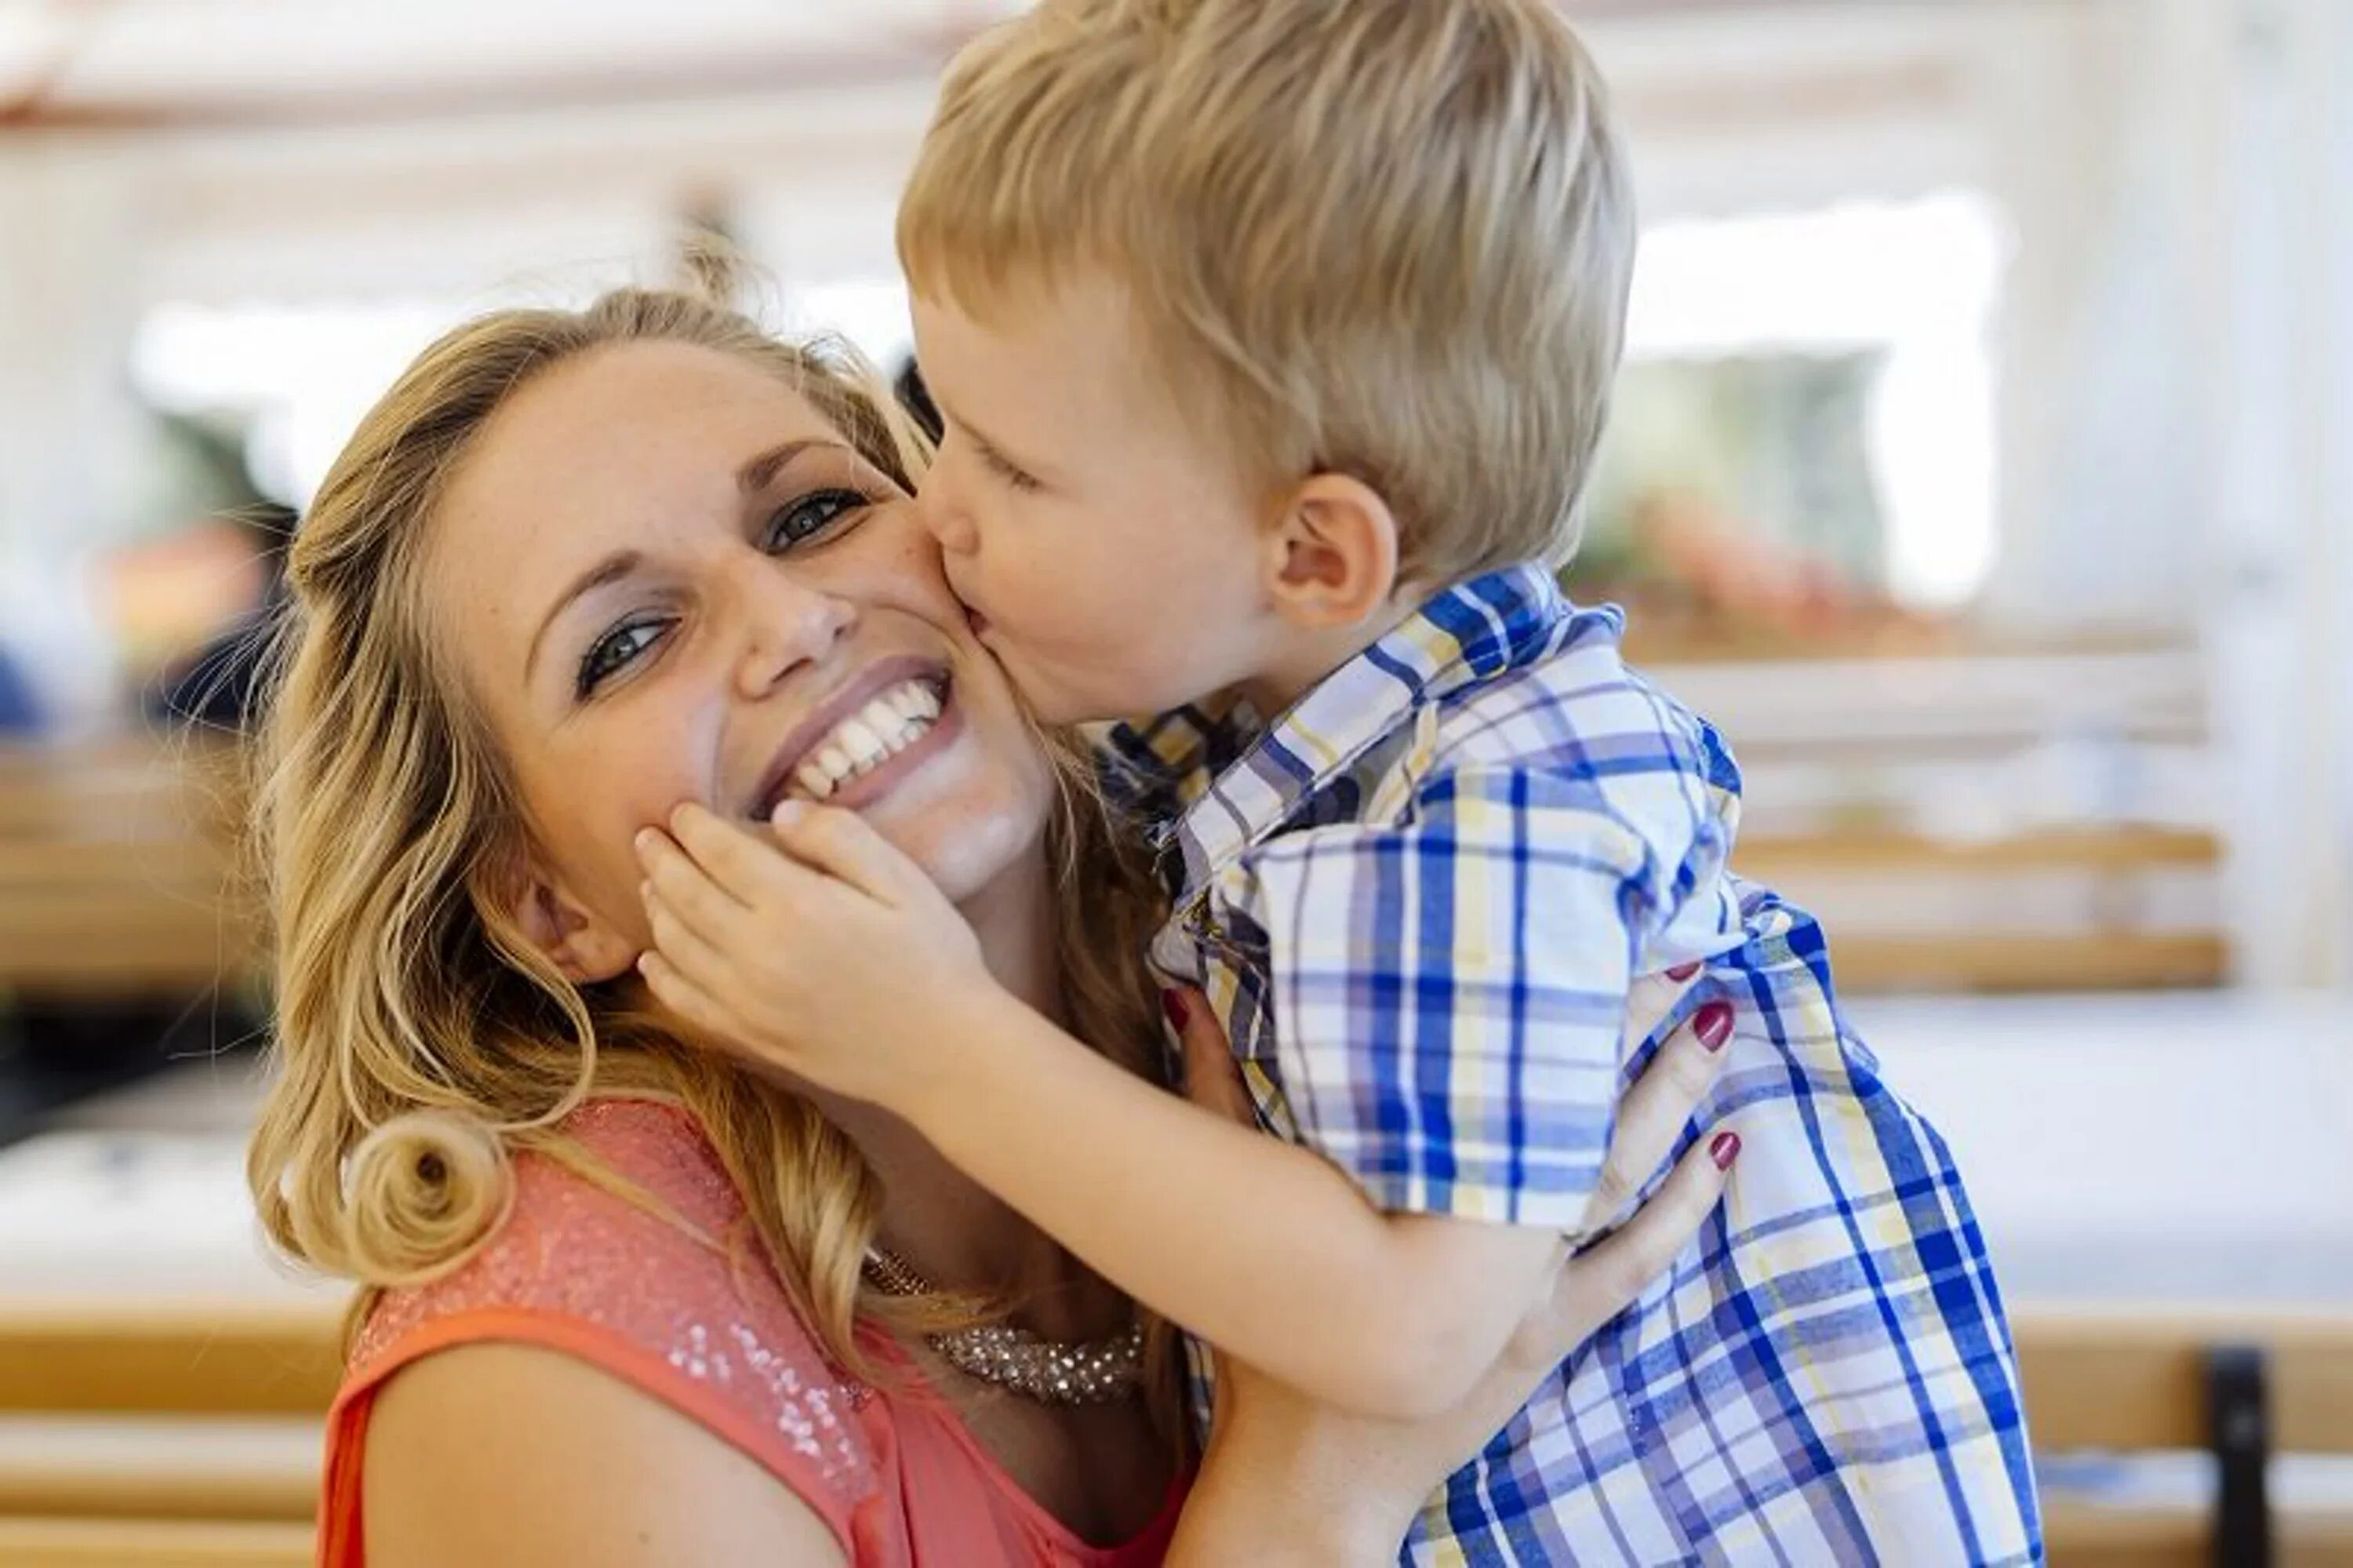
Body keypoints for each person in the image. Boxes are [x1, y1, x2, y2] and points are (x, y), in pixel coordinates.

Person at [631, 1, 2044, 1562]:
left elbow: (1408, 1332)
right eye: (940, 428)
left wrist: (930, 1036)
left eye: (1011, 467)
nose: (937, 509)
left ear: (1313, 553)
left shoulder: (1481, 805)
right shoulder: (1303, 753)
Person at [245, 286, 1737, 1566]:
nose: (791, 620)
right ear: (545, 904)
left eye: (817, 513)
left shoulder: (1314, 964)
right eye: (628, 641)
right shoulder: (558, 1364)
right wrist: (1319, 1484)